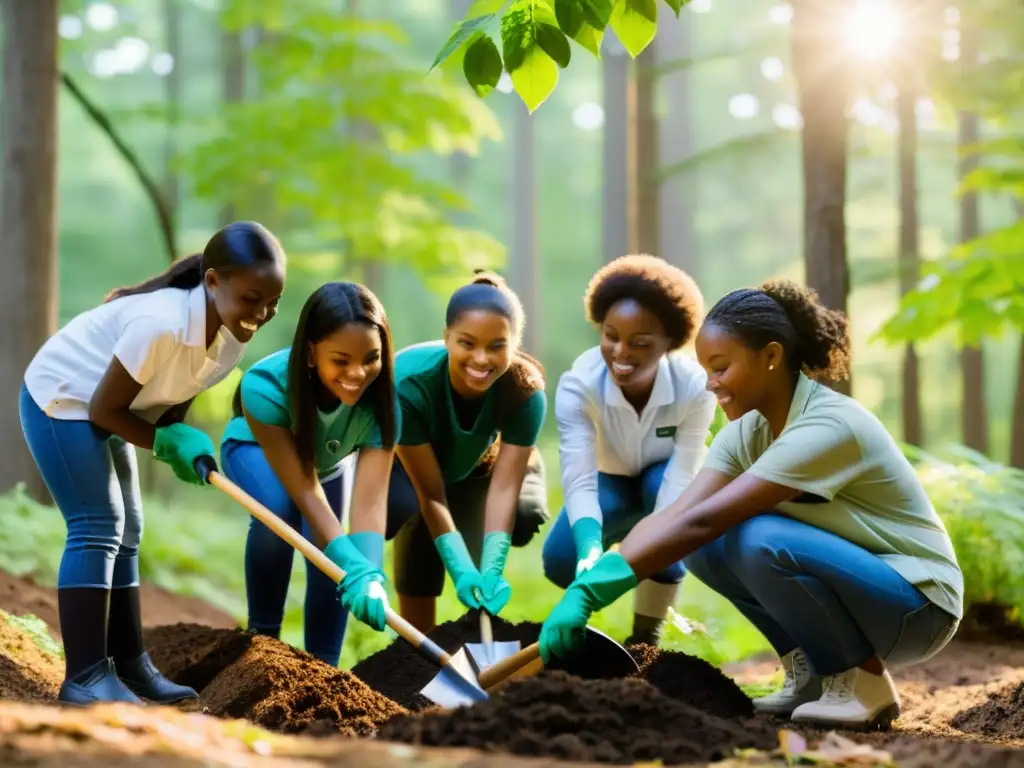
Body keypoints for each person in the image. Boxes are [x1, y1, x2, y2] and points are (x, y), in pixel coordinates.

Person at [537, 278, 964, 731]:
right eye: (705, 370)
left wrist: (591, 594)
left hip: (918, 605)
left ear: (772, 357)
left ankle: (862, 684)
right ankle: (812, 675)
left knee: (757, 536)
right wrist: (591, 582)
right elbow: (675, 517)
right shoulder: (746, 431)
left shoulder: (829, 426)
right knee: (702, 546)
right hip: (865, 592)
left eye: (721, 368)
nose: (710, 384)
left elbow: (707, 518)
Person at [19, 222, 287, 705]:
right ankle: (84, 677)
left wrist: (176, 440)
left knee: (130, 528)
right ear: (212, 281)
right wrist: (167, 441)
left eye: (272, 303)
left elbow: (170, 402)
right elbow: (103, 410)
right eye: (251, 298)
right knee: (98, 524)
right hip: (62, 398)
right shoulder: (160, 323)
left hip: (118, 407)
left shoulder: (231, 338)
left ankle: (130, 667)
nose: (261, 313)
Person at [219, 282, 398, 667]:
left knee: (334, 561)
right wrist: (350, 559)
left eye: (371, 358)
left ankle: (324, 668)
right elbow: (302, 488)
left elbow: (370, 500)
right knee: (279, 512)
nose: (358, 372)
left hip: (327, 467)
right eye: (342, 359)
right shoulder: (264, 387)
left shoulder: (384, 404)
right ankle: (262, 642)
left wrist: (370, 573)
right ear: (312, 353)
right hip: (256, 451)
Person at [542, 255, 717, 647]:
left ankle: (646, 638)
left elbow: (682, 474)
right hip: (608, 481)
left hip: (664, 480)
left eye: (639, 343)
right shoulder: (579, 387)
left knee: (668, 522)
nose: (621, 352)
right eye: (611, 335)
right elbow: (579, 475)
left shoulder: (695, 387)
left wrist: (651, 543)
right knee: (560, 561)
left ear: (669, 343)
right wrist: (589, 548)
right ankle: (588, 633)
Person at [386, 271, 550, 633]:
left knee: (516, 522)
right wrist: (457, 565)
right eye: (467, 343)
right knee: (411, 524)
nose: (481, 359)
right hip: (412, 468)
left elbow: (504, 489)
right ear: (446, 338)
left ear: (514, 344)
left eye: (496, 346)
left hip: (482, 465)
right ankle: (413, 654)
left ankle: (481, 652)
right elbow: (431, 494)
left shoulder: (524, 392)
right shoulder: (407, 384)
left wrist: (490, 565)